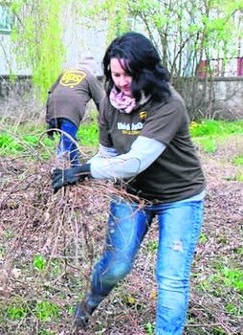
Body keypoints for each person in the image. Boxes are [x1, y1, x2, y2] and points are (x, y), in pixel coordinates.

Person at [51, 32, 205, 335]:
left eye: (128, 74)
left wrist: (85, 170)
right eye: (115, 73)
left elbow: (137, 160)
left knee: (171, 277)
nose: (120, 81)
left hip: (179, 196)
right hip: (131, 195)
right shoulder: (110, 104)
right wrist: (83, 172)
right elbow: (108, 155)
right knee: (116, 266)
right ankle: (88, 305)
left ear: (146, 70)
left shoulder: (168, 104)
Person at [46, 54, 105, 166]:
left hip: (53, 108)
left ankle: (75, 166)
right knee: (64, 147)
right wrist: (106, 120)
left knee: (69, 138)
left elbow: (51, 92)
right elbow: (101, 101)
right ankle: (58, 171)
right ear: (92, 68)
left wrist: (49, 119)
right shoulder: (90, 77)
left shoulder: (65, 73)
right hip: (70, 112)